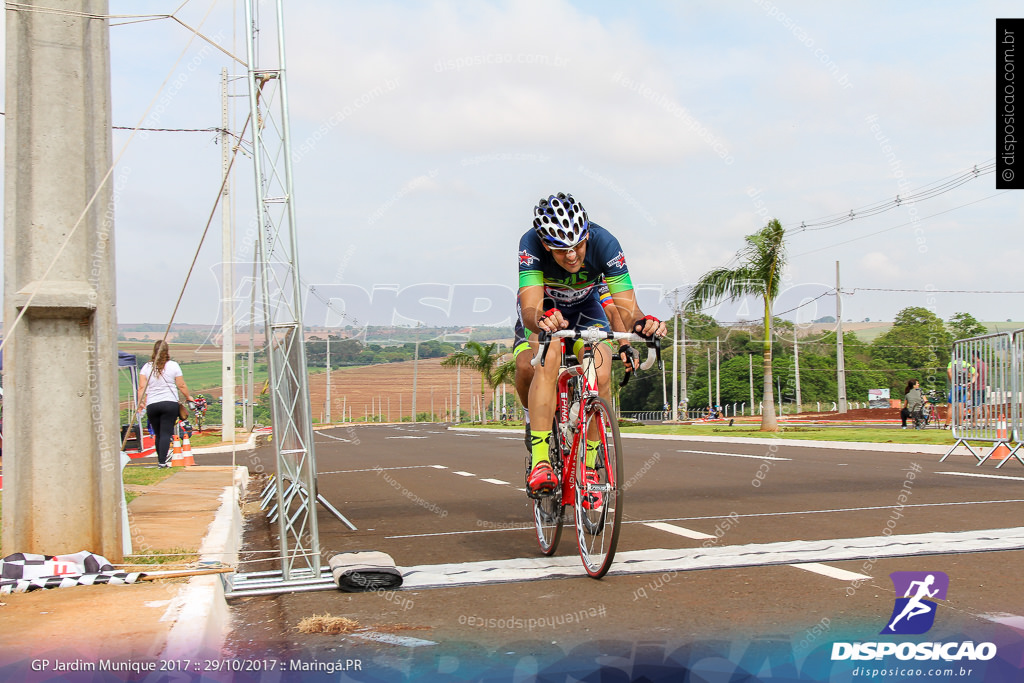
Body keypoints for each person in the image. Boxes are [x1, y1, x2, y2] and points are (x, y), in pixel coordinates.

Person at [514, 192, 666, 496]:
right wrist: (542, 319)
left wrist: (641, 325)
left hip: (586, 311)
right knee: (544, 359)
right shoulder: (530, 243)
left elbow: (626, 308)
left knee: (601, 369)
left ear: (587, 235)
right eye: (560, 250)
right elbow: (530, 305)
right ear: (545, 245)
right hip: (546, 310)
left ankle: (590, 465)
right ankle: (541, 458)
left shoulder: (605, 243)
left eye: (578, 246)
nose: (571, 256)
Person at [137, 340, 195, 468]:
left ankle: (160, 460)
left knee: (158, 434)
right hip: (169, 403)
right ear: (167, 351)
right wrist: (188, 396)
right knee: (165, 433)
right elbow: (181, 385)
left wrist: (140, 403)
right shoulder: (173, 366)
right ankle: (162, 462)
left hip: (152, 404)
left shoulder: (147, 367)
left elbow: (141, 387)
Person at [946, 357, 976, 426]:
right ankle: (960, 424)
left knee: (950, 406)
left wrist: (952, 381)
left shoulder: (952, 363)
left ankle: (947, 424)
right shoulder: (966, 364)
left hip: (956, 385)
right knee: (961, 406)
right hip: (964, 386)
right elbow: (975, 374)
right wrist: (970, 382)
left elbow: (949, 371)